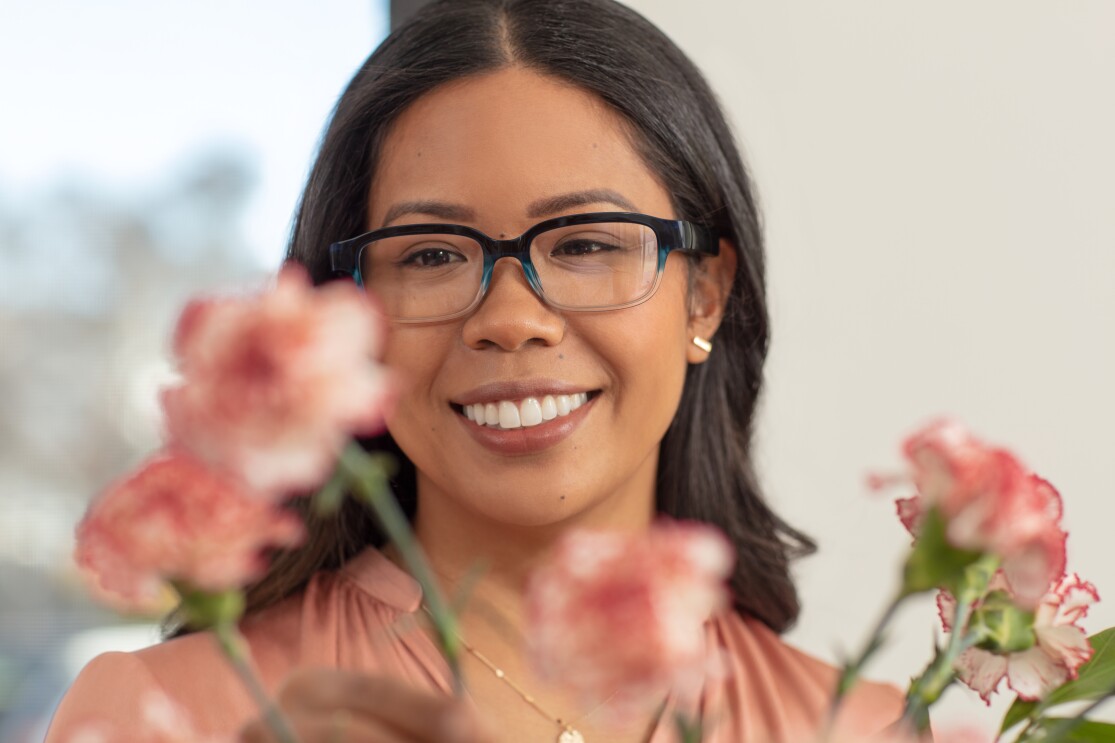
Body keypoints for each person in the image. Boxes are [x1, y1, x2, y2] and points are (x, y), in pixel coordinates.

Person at [47, 1, 904, 740]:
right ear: (344, 319)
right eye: (429, 255)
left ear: (705, 296)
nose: (509, 319)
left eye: (584, 244)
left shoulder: (863, 727)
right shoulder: (164, 712)